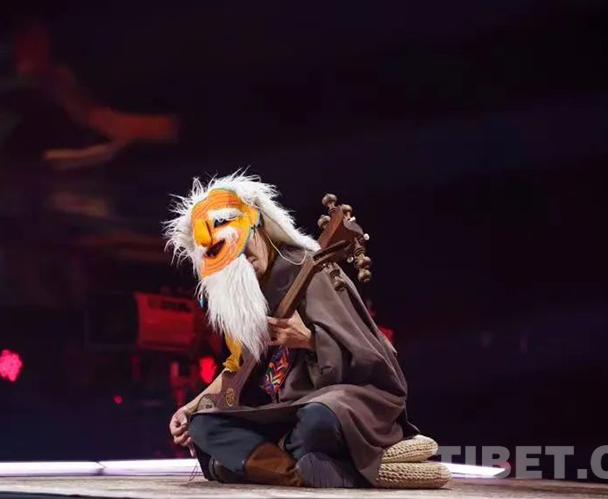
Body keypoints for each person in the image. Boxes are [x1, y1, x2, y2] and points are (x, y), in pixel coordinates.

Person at [164, 172, 447, 488]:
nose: (244, 260)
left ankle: (253, 465)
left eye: (244, 247)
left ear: (260, 226)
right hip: (282, 411)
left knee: (317, 419)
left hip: (339, 399)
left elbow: (378, 360)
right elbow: (237, 371)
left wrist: (310, 340)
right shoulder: (245, 296)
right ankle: (300, 472)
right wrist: (189, 408)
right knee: (204, 426)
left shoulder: (309, 269)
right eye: (233, 260)